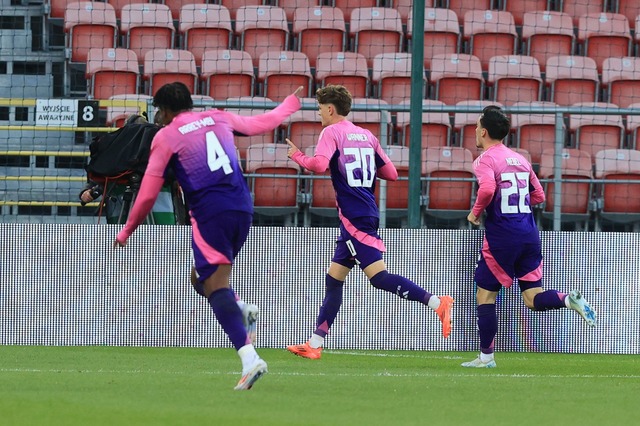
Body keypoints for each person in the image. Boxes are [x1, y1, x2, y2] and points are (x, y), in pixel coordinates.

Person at [115, 82, 304, 389]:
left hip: (209, 213)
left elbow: (149, 192)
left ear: (163, 111)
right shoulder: (218, 117)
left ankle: (249, 358)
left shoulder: (166, 136)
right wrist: (290, 105)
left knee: (214, 287)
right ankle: (242, 308)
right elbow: (262, 123)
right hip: (242, 208)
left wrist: (127, 229)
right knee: (199, 277)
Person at [284, 85, 454, 359]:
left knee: (378, 277)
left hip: (354, 217)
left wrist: (297, 156)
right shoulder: (366, 135)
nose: (318, 115)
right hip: (363, 211)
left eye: (319, 109)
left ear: (330, 109)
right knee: (334, 279)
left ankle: (437, 302)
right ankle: (315, 344)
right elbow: (392, 173)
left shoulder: (331, 132)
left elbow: (317, 165)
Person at [463, 105, 597, 368]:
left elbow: (488, 188)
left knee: (486, 295)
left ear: (484, 131)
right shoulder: (520, 159)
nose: (476, 131)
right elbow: (539, 196)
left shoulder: (484, 160)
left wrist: (475, 212)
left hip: (503, 236)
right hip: (529, 234)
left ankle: (486, 358)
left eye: (478, 126)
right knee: (532, 298)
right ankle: (568, 300)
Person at [79, 114, 178, 225]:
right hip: (136, 216)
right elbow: (98, 178)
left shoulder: (161, 149)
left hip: (156, 219)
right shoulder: (117, 152)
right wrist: (86, 191)